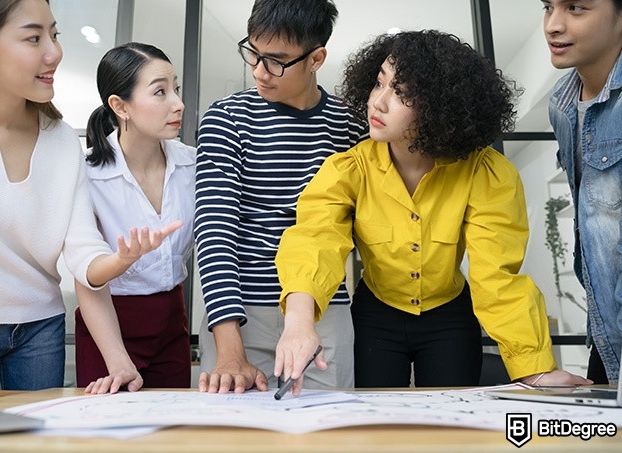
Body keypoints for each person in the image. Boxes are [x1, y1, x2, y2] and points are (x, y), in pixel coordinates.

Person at [274, 30, 592, 393]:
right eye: (379, 83)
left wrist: (534, 367)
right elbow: (315, 239)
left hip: (450, 316)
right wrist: (299, 322)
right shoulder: (347, 170)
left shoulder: (486, 173)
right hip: (375, 313)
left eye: (402, 93)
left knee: (456, 424)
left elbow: (497, 277)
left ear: (443, 108)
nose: (378, 102)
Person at [0, 0, 179, 390]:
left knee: (38, 442)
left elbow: (84, 256)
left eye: (54, 34)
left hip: (40, 328)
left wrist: (119, 260)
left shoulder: (63, 142)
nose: (54, 52)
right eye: (34, 37)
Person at [195, 0, 367, 393]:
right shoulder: (227, 118)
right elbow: (215, 231)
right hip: (242, 316)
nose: (259, 71)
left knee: (328, 431)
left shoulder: (350, 127)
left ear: (316, 58)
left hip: (326, 312)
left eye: (276, 60)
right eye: (253, 53)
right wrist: (229, 349)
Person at [74, 42, 195, 394]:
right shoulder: (86, 175)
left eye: (176, 88)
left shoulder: (194, 165)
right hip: (108, 324)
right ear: (120, 106)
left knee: (173, 434)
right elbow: (86, 277)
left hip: (173, 321)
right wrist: (117, 360)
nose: (178, 103)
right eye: (160, 92)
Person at [541, 0, 622, 384]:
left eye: (576, 8)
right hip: (605, 333)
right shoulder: (561, 102)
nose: (553, 25)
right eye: (547, 7)